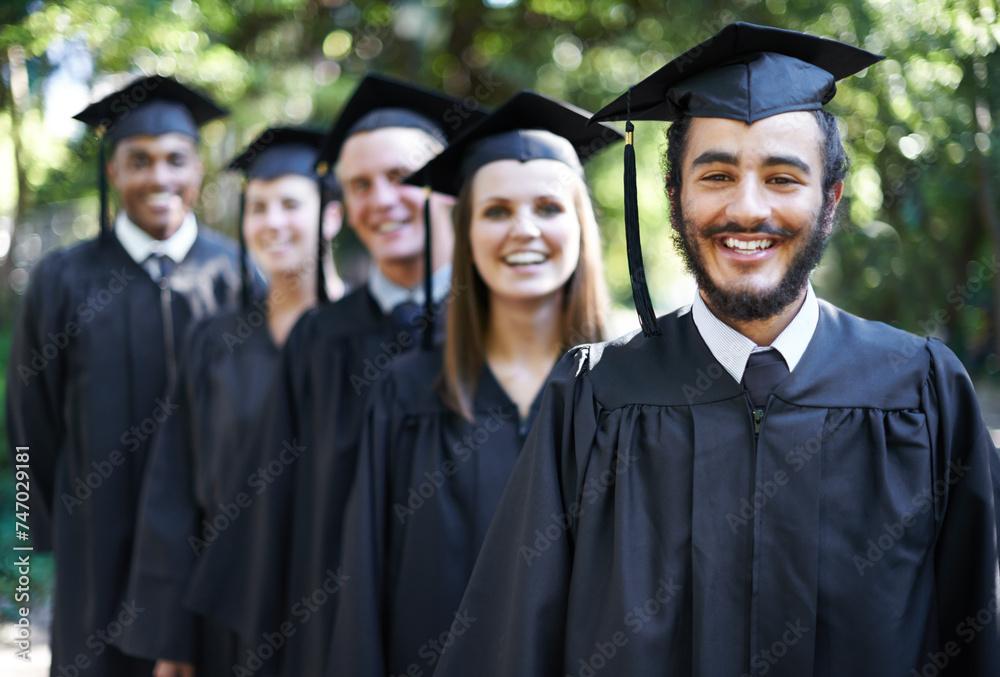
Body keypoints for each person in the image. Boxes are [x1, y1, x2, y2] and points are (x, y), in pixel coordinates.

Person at [432, 23, 1000, 677]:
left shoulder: (922, 392)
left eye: (784, 178)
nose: (747, 208)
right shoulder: (592, 397)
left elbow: (975, 638)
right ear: (675, 195)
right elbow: (510, 645)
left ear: (830, 201)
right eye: (718, 174)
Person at [182, 74, 486, 677]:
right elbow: (269, 514)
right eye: (360, 185)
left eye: (401, 177)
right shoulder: (319, 341)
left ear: (448, 188)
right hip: (331, 640)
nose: (381, 200)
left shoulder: (499, 329)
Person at [327, 90, 620, 677]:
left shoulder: (631, 396)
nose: (524, 230)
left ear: (581, 226)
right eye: (496, 211)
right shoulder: (406, 392)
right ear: (465, 233)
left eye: (548, 207)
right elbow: (362, 592)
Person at [5, 75, 247, 677]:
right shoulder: (63, 280)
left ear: (199, 171)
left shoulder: (239, 278)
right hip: (97, 549)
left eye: (175, 160)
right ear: (113, 172)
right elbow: (29, 427)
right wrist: (45, 544)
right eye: (139, 161)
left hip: (210, 556)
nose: (159, 178)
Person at [118, 126, 344, 677]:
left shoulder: (369, 341)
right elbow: (174, 493)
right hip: (224, 608)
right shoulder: (215, 341)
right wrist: (172, 639)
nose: (272, 222)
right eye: (258, 207)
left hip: (337, 608)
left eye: (291, 204)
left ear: (332, 217)